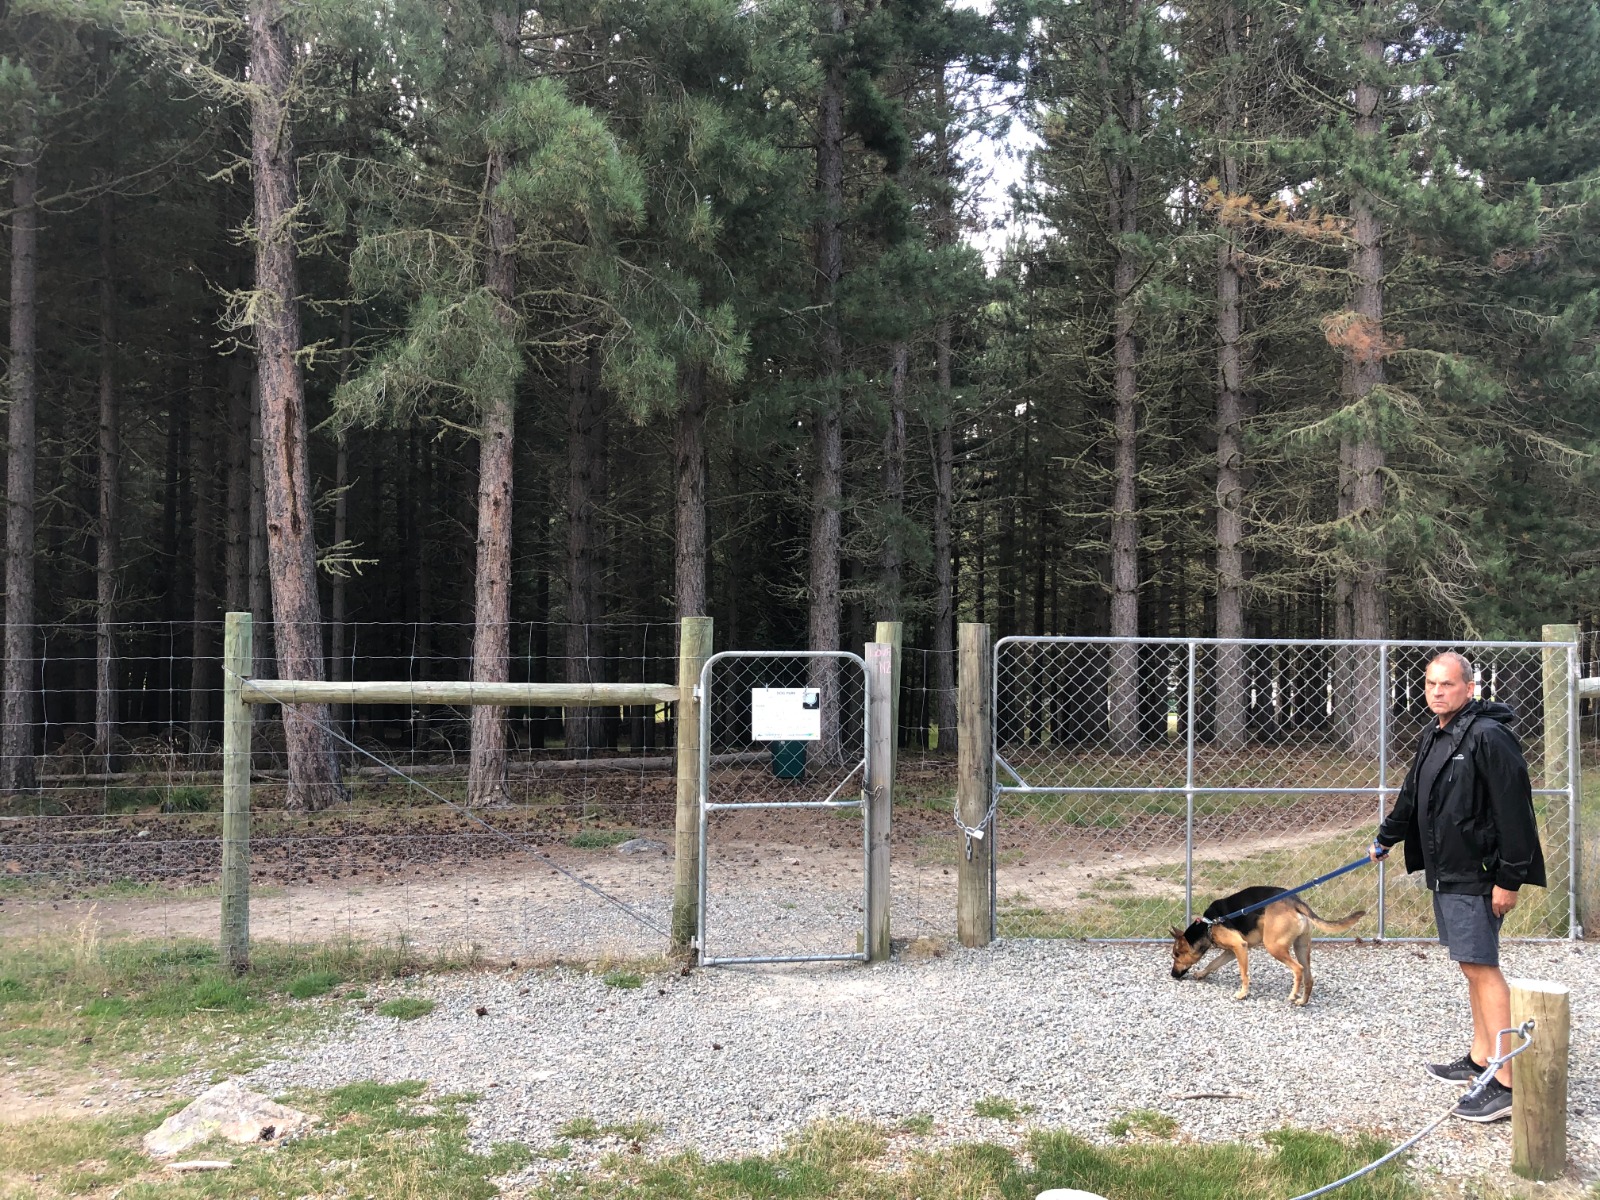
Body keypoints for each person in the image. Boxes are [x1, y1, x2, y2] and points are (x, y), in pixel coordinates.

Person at [1367, 650, 1545, 1124]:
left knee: (1484, 968)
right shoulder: (1437, 733)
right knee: (1471, 966)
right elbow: (1414, 795)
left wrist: (1510, 879)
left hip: (1479, 874)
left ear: (1470, 688)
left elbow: (1515, 814)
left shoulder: (1489, 736)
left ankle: (1506, 1081)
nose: (1437, 692)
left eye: (1447, 684)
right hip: (1447, 870)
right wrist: (1386, 838)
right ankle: (1480, 1055)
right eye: (1430, 684)